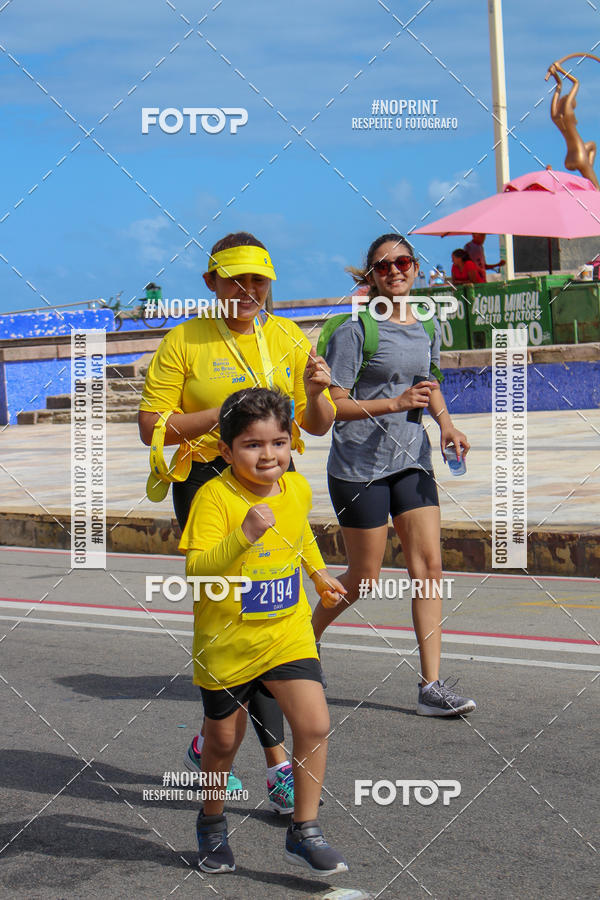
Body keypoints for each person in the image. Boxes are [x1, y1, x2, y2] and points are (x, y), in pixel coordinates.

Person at [138, 231, 336, 813]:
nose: (248, 290)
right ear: (211, 283)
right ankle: (260, 758)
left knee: (271, 608)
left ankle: (252, 756)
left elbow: (317, 423)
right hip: (208, 481)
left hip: (273, 478)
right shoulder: (185, 340)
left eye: (258, 280)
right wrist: (224, 414)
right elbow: (151, 426)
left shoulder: (287, 336)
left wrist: (317, 393)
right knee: (235, 611)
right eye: (235, 280)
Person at [180, 387, 348, 875]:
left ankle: (305, 830)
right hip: (227, 643)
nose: (269, 454)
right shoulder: (214, 498)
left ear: (291, 443)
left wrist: (318, 575)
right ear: (226, 450)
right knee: (222, 745)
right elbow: (197, 571)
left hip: (286, 633)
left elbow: (300, 537)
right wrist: (243, 535)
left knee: (314, 725)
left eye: (278, 442)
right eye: (253, 445)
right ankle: (212, 824)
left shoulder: (296, 488)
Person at [313, 233, 477, 716]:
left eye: (403, 262)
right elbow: (334, 406)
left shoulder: (425, 322)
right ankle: (304, 636)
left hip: (412, 460)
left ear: (416, 268)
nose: (395, 271)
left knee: (429, 569)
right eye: (383, 266)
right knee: (365, 577)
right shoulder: (355, 331)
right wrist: (394, 403)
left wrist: (446, 424)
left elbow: (429, 383)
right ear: (372, 276)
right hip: (358, 467)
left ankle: (431, 686)